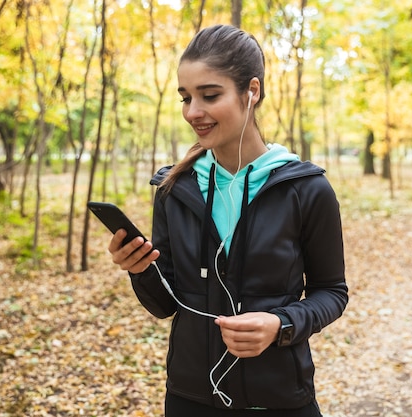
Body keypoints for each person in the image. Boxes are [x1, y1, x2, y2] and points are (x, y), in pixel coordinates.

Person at [108, 24, 348, 417]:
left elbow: (332, 292)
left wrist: (280, 324)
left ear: (251, 92)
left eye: (210, 95)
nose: (192, 112)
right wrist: (140, 270)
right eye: (185, 98)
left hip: (280, 399)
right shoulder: (174, 188)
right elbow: (166, 305)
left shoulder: (306, 190)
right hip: (190, 399)